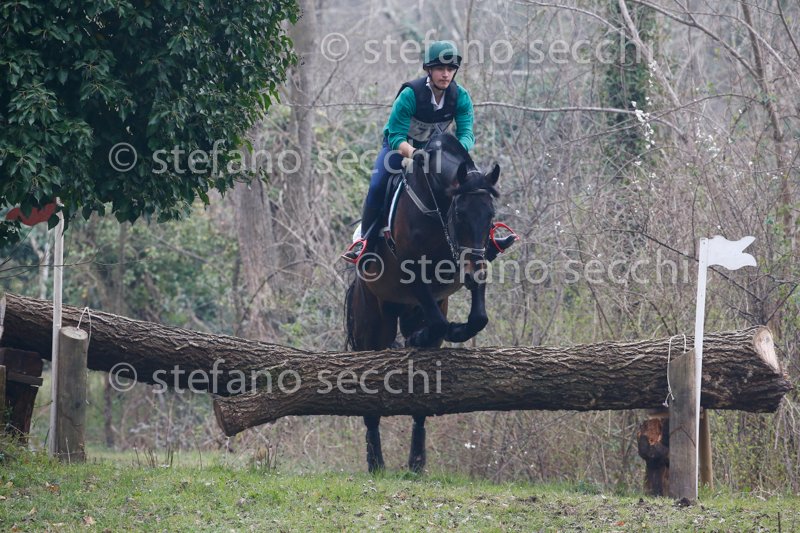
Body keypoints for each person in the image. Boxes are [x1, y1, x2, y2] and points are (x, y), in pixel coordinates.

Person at [342, 40, 514, 263]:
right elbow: (395, 136)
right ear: (428, 70)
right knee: (377, 186)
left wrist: (456, 153)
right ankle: (364, 242)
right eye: (440, 68)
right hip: (399, 148)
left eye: (450, 69)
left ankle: (489, 241)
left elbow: (466, 134)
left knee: (474, 186)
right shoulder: (410, 95)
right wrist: (414, 153)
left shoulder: (460, 97)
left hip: (436, 153)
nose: (446, 74)